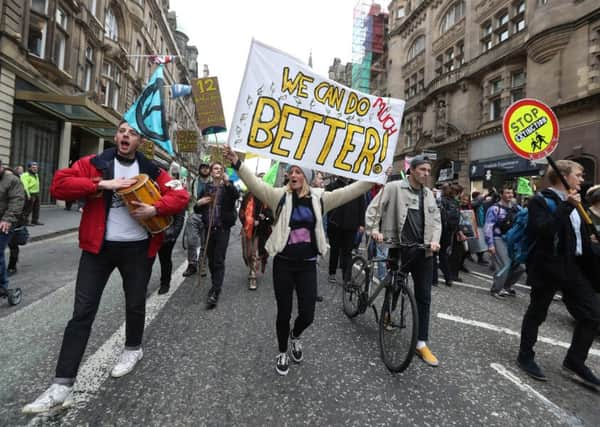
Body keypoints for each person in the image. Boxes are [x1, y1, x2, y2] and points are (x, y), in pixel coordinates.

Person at [22, 121, 189, 414]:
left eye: (132, 133)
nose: (126, 135)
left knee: (135, 304)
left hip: (137, 248)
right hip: (98, 249)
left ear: (139, 141)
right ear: (116, 137)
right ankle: (62, 386)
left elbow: (181, 195)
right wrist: (100, 184)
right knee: (81, 313)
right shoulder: (95, 163)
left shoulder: (151, 169)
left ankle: (132, 350)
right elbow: (59, 185)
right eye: (122, 131)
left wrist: (156, 208)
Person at [224, 146, 373, 376]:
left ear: (308, 177)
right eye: (291, 171)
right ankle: (283, 350)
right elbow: (255, 184)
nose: (293, 175)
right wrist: (237, 163)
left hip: (307, 265)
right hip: (283, 263)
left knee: (308, 314)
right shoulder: (279, 196)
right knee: (283, 312)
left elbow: (352, 191)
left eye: (299, 172)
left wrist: (375, 176)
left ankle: (296, 335)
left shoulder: (321, 198)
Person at [517, 160, 600, 390]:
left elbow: (578, 236)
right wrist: (567, 206)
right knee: (538, 312)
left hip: (574, 267)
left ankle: (575, 361)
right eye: (579, 175)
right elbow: (543, 231)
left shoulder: (577, 202)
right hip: (548, 267)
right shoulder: (540, 201)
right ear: (563, 175)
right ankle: (525, 355)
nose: (582, 179)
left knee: (592, 315)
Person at [366, 156, 442, 367]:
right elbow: (374, 209)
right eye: (423, 170)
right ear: (412, 170)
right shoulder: (394, 188)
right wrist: (374, 230)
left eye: (428, 170)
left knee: (424, 297)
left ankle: (421, 343)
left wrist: (435, 241)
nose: (427, 174)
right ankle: (389, 314)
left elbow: (436, 221)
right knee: (395, 288)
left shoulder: (428, 194)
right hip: (399, 248)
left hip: (423, 251)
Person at [197, 161, 239, 308]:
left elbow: (236, 195)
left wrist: (227, 182)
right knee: (210, 259)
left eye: (220, 169)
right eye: (215, 168)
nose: (217, 171)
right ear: (211, 171)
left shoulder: (228, 187)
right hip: (208, 228)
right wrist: (199, 203)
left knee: (218, 260)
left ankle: (215, 289)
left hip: (222, 229)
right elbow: (197, 208)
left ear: (223, 173)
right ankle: (216, 283)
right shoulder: (206, 188)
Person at [484, 185, 524, 298]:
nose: (510, 195)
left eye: (511, 193)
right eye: (507, 193)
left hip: (513, 240)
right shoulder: (494, 209)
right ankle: (496, 289)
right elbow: (488, 227)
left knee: (520, 267)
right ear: (501, 194)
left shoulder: (517, 208)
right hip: (498, 238)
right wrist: (490, 244)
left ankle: (506, 286)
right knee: (504, 265)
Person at [326, 176, 366, 285]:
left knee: (347, 252)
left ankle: (346, 277)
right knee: (334, 250)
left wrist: (362, 223)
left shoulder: (357, 187)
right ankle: (332, 273)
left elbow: (362, 206)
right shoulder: (331, 186)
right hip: (335, 224)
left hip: (351, 225)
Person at [239, 174, 274, 290]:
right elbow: (241, 212)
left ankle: (252, 276)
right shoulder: (247, 196)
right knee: (247, 254)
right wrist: (248, 221)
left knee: (254, 254)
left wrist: (263, 218)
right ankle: (251, 268)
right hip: (247, 229)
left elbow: (271, 216)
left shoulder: (266, 198)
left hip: (260, 231)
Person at [156, 170, 187, 295]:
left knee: (165, 259)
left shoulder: (178, 192)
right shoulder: (153, 188)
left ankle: (165, 283)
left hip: (167, 233)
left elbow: (180, 217)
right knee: (146, 261)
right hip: (152, 232)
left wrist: (172, 234)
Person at [0, 160, 25, 302]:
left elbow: (17, 200)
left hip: (5, 223)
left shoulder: (12, 180)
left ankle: (2, 285)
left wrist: (8, 219)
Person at [182, 162, 211, 277]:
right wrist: (190, 212)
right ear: (199, 169)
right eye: (202, 168)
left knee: (205, 243)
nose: (204, 170)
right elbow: (188, 197)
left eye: (206, 168)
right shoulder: (194, 181)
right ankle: (192, 264)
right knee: (191, 241)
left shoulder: (213, 182)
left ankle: (202, 265)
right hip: (194, 214)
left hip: (207, 216)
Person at [438, 183, 460, 286]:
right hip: (449, 231)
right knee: (443, 254)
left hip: (440, 230)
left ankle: (436, 278)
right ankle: (448, 277)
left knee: (434, 254)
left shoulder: (441, 200)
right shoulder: (455, 202)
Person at [21, 161, 43, 226]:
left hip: (36, 193)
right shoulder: (25, 175)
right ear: (29, 168)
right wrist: (28, 194)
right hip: (30, 194)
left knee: (36, 208)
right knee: (28, 209)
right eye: (33, 167)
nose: (35, 168)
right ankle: (25, 221)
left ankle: (35, 220)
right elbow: (25, 186)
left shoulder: (36, 175)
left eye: (36, 167)